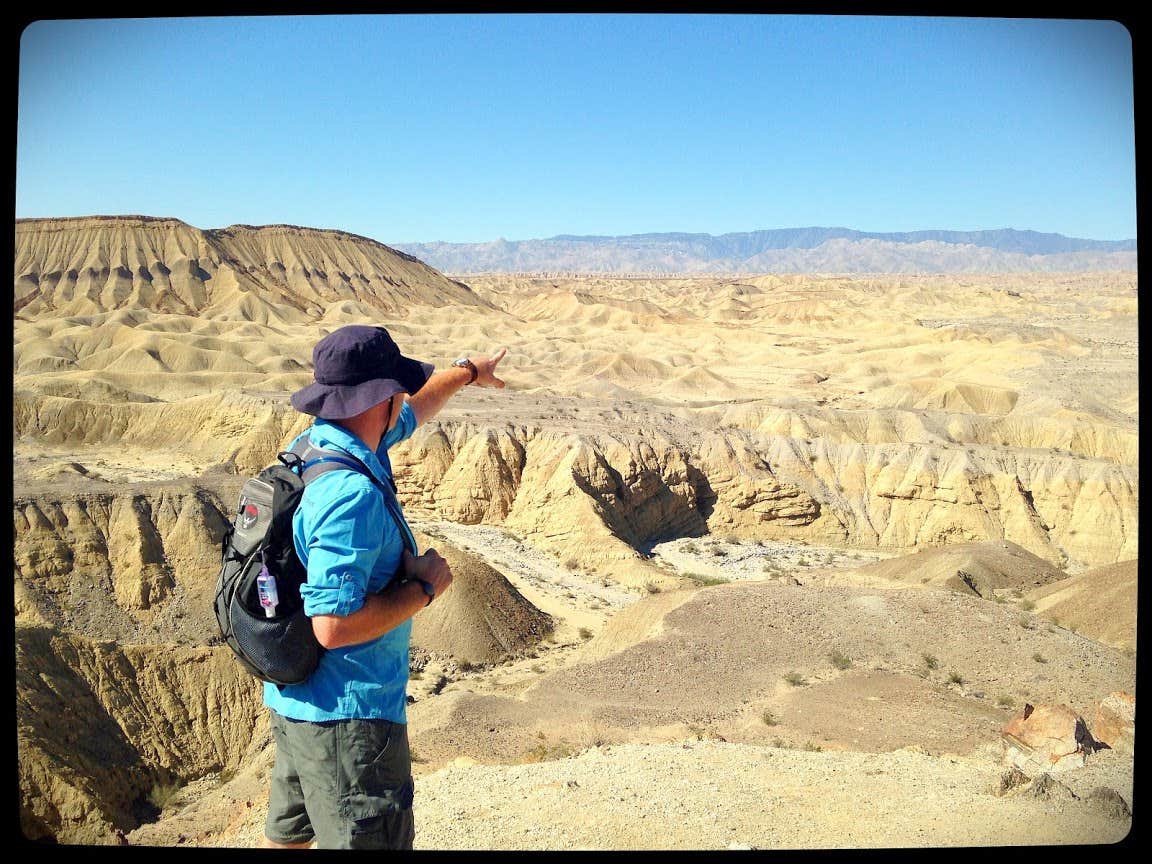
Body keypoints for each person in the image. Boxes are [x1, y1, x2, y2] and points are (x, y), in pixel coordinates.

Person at [260, 324, 507, 850]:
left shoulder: (318, 447)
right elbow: (332, 626)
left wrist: (467, 372)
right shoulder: (352, 494)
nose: (403, 398)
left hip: (298, 702)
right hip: (352, 722)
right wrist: (424, 589)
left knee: (291, 836)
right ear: (379, 400)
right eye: (396, 388)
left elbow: (415, 410)